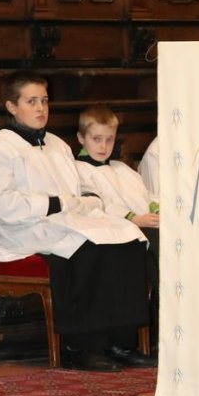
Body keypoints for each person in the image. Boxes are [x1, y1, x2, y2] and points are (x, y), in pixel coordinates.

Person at [0, 71, 155, 372]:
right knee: (86, 248)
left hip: (64, 219)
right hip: (22, 229)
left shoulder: (57, 144)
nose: (40, 108)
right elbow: (1, 204)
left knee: (128, 238)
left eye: (44, 101)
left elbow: (76, 188)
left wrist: (85, 202)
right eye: (31, 101)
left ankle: (121, 342)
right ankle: (83, 346)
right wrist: (55, 204)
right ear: (12, 107)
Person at [74, 104, 160, 359]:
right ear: (81, 138)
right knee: (154, 250)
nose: (103, 146)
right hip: (111, 232)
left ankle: (169, 327)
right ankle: (149, 336)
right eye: (96, 139)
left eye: (109, 139)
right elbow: (96, 204)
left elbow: (147, 195)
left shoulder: (123, 170)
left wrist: (154, 209)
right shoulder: (79, 170)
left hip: (142, 228)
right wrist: (134, 218)